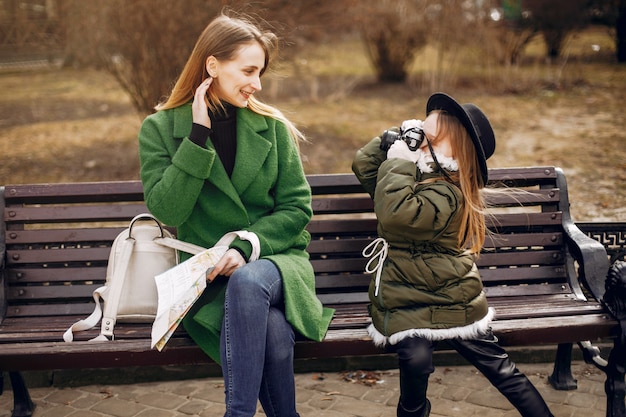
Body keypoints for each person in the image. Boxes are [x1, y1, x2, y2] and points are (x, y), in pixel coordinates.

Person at [138, 12, 334, 417]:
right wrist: (197, 136)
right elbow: (167, 209)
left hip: (278, 263)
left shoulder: (272, 128)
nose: (257, 84)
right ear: (213, 66)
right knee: (276, 336)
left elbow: (297, 208)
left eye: (260, 72)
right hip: (209, 283)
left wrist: (247, 245)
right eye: (247, 70)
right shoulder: (158, 130)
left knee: (247, 279)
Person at [352, 92, 554, 417]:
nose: (418, 139)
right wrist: (389, 140)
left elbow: (395, 214)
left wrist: (400, 159)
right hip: (407, 299)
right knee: (415, 359)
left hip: (451, 299)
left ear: (452, 141)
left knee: (499, 369)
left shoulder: (449, 190)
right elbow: (364, 166)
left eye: (430, 133)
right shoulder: (414, 171)